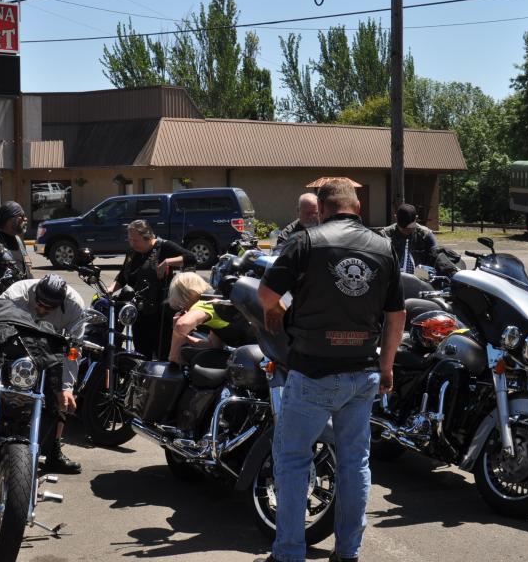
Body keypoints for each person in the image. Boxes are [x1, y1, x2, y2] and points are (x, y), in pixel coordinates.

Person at [257, 178, 406, 562]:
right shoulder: (384, 247)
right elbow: (396, 316)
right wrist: (387, 367)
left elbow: (267, 293)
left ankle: (289, 554)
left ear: (321, 209)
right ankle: (347, 553)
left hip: (313, 372)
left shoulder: (305, 241)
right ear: (357, 208)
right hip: (363, 371)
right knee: (355, 464)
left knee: (293, 461)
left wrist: (276, 311)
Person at [0, 274, 85, 474]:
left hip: (49, 353)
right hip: (14, 346)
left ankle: (53, 453)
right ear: (35, 293)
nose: (41, 310)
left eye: (49, 308)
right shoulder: (18, 293)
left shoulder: (75, 306)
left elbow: (74, 350)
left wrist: (66, 388)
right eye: (39, 304)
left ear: (61, 303)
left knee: (61, 400)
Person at [107, 219, 195, 359]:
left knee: (162, 353)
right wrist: (111, 289)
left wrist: (168, 261)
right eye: (130, 240)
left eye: (136, 240)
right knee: (141, 352)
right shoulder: (132, 252)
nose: (132, 243)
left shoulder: (164, 247)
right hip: (138, 311)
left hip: (160, 313)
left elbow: (191, 258)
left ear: (148, 237)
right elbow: (123, 276)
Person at [165, 272, 251, 364]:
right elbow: (214, 345)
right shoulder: (216, 299)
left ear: (185, 296)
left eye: (180, 304)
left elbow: (182, 325)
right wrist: (184, 337)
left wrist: (173, 356)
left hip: (248, 353)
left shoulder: (203, 304)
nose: (183, 309)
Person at [379, 203, 447, 275]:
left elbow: (437, 257)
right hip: (393, 277)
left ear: (416, 218)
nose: (406, 231)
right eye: (402, 228)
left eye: (409, 228)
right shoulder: (385, 235)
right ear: (396, 218)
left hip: (420, 277)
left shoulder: (425, 235)